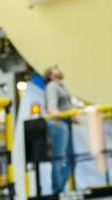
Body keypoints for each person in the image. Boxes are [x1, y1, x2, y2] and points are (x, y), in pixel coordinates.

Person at [44, 65, 74, 194]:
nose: (59, 69)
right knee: (59, 157)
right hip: (59, 123)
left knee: (70, 158)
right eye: (55, 68)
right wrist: (58, 115)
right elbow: (52, 107)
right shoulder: (52, 86)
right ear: (51, 75)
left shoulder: (61, 87)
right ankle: (57, 190)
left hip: (65, 122)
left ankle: (59, 189)